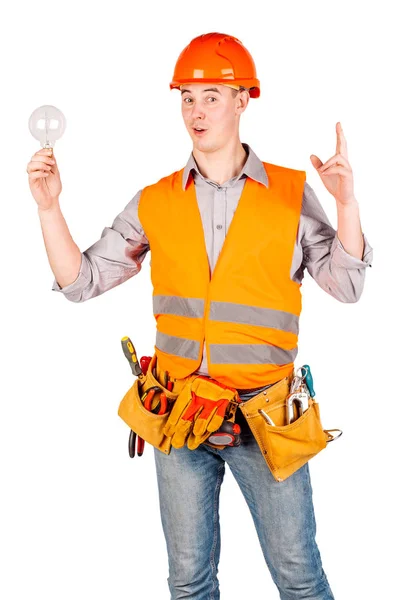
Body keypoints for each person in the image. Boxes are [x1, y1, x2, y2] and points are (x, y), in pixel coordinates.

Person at [27, 32, 373, 600]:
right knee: (188, 583)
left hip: (266, 420)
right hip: (178, 417)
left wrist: (347, 204)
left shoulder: (290, 192)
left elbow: (347, 284)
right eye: (186, 97)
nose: (196, 110)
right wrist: (48, 207)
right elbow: (81, 281)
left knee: (300, 578)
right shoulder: (156, 200)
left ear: (243, 100)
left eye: (212, 95)